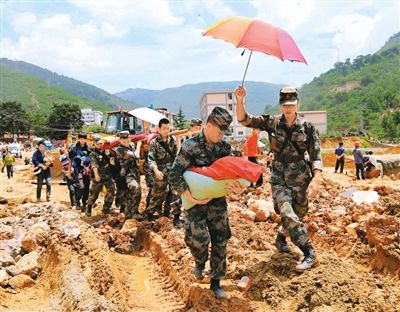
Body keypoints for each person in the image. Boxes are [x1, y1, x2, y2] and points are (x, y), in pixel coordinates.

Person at [235, 85, 322, 272]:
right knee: (286, 210)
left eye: (291, 104)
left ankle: (281, 236)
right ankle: (309, 252)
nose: (288, 108)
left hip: (300, 177)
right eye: (285, 104)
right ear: (280, 105)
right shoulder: (272, 123)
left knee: (299, 213)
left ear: (297, 103)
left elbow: (316, 155)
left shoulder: (307, 127)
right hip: (279, 177)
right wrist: (240, 100)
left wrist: (316, 179)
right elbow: (244, 119)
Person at [169, 107, 242, 299]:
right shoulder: (190, 146)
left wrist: (237, 186)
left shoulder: (224, 148)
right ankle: (200, 261)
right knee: (198, 241)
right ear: (209, 125)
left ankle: (216, 283)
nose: (221, 136)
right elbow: (174, 175)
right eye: (219, 131)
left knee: (221, 241)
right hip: (196, 203)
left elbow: (233, 173)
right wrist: (189, 196)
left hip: (218, 203)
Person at [146, 118, 184, 227]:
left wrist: (178, 139)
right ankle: (149, 214)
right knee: (158, 195)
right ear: (159, 129)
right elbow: (151, 158)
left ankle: (174, 217)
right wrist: (156, 170)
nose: (166, 130)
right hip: (160, 173)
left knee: (175, 195)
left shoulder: (172, 140)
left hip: (172, 172)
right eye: (164, 128)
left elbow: (179, 155)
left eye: (168, 128)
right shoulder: (154, 143)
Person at [115, 130, 143, 220]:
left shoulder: (131, 145)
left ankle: (132, 212)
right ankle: (129, 214)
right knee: (135, 188)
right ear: (120, 141)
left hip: (135, 172)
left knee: (133, 192)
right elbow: (136, 155)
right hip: (126, 174)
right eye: (123, 142)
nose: (126, 143)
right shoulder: (120, 149)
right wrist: (139, 145)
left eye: (127, 141)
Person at [85, 136, 115, 217]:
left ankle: (106, 209)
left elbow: (113, 157)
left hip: (108, 176)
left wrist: (110, 148)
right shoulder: (93, 154)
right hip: (98, 177)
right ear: (94, 144)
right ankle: (89, 207)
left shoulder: (106, 151)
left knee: (111, 192)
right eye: (98, 143)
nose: (100, 145)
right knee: (94, 193)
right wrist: (96, 175)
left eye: (101, 143)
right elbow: (94, 165)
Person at [68, 133, 91, 211]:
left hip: (87, 170)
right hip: (77, 169)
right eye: (81, 138)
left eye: (84, 138)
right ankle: (77, 201)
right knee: (81, 186)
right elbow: (70, 160)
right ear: (79, 139)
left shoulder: (88, 148)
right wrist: (69, 170)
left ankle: (85, 204)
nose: (82, 140)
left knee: (87, 188)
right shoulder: (74, 148)